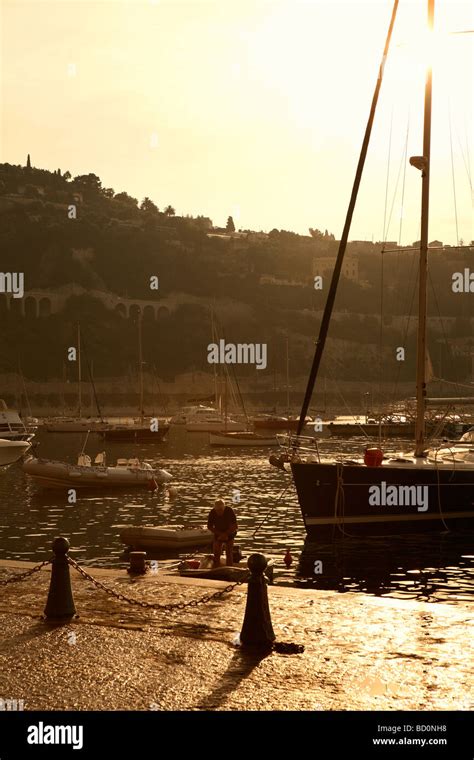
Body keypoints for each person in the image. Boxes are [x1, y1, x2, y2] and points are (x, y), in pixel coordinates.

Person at [207, 498, 238, 568]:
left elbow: (235, 526)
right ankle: (216, 567)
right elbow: (209, 526)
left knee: (229, 552)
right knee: (216, 552)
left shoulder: (229, 511)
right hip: (218, 533)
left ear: (223, 508)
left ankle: (230, 568)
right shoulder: (212, 512)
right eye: (217, 510)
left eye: (220, 510)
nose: (219, 512)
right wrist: (220, 534)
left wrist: (226, 534)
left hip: (230, 533)